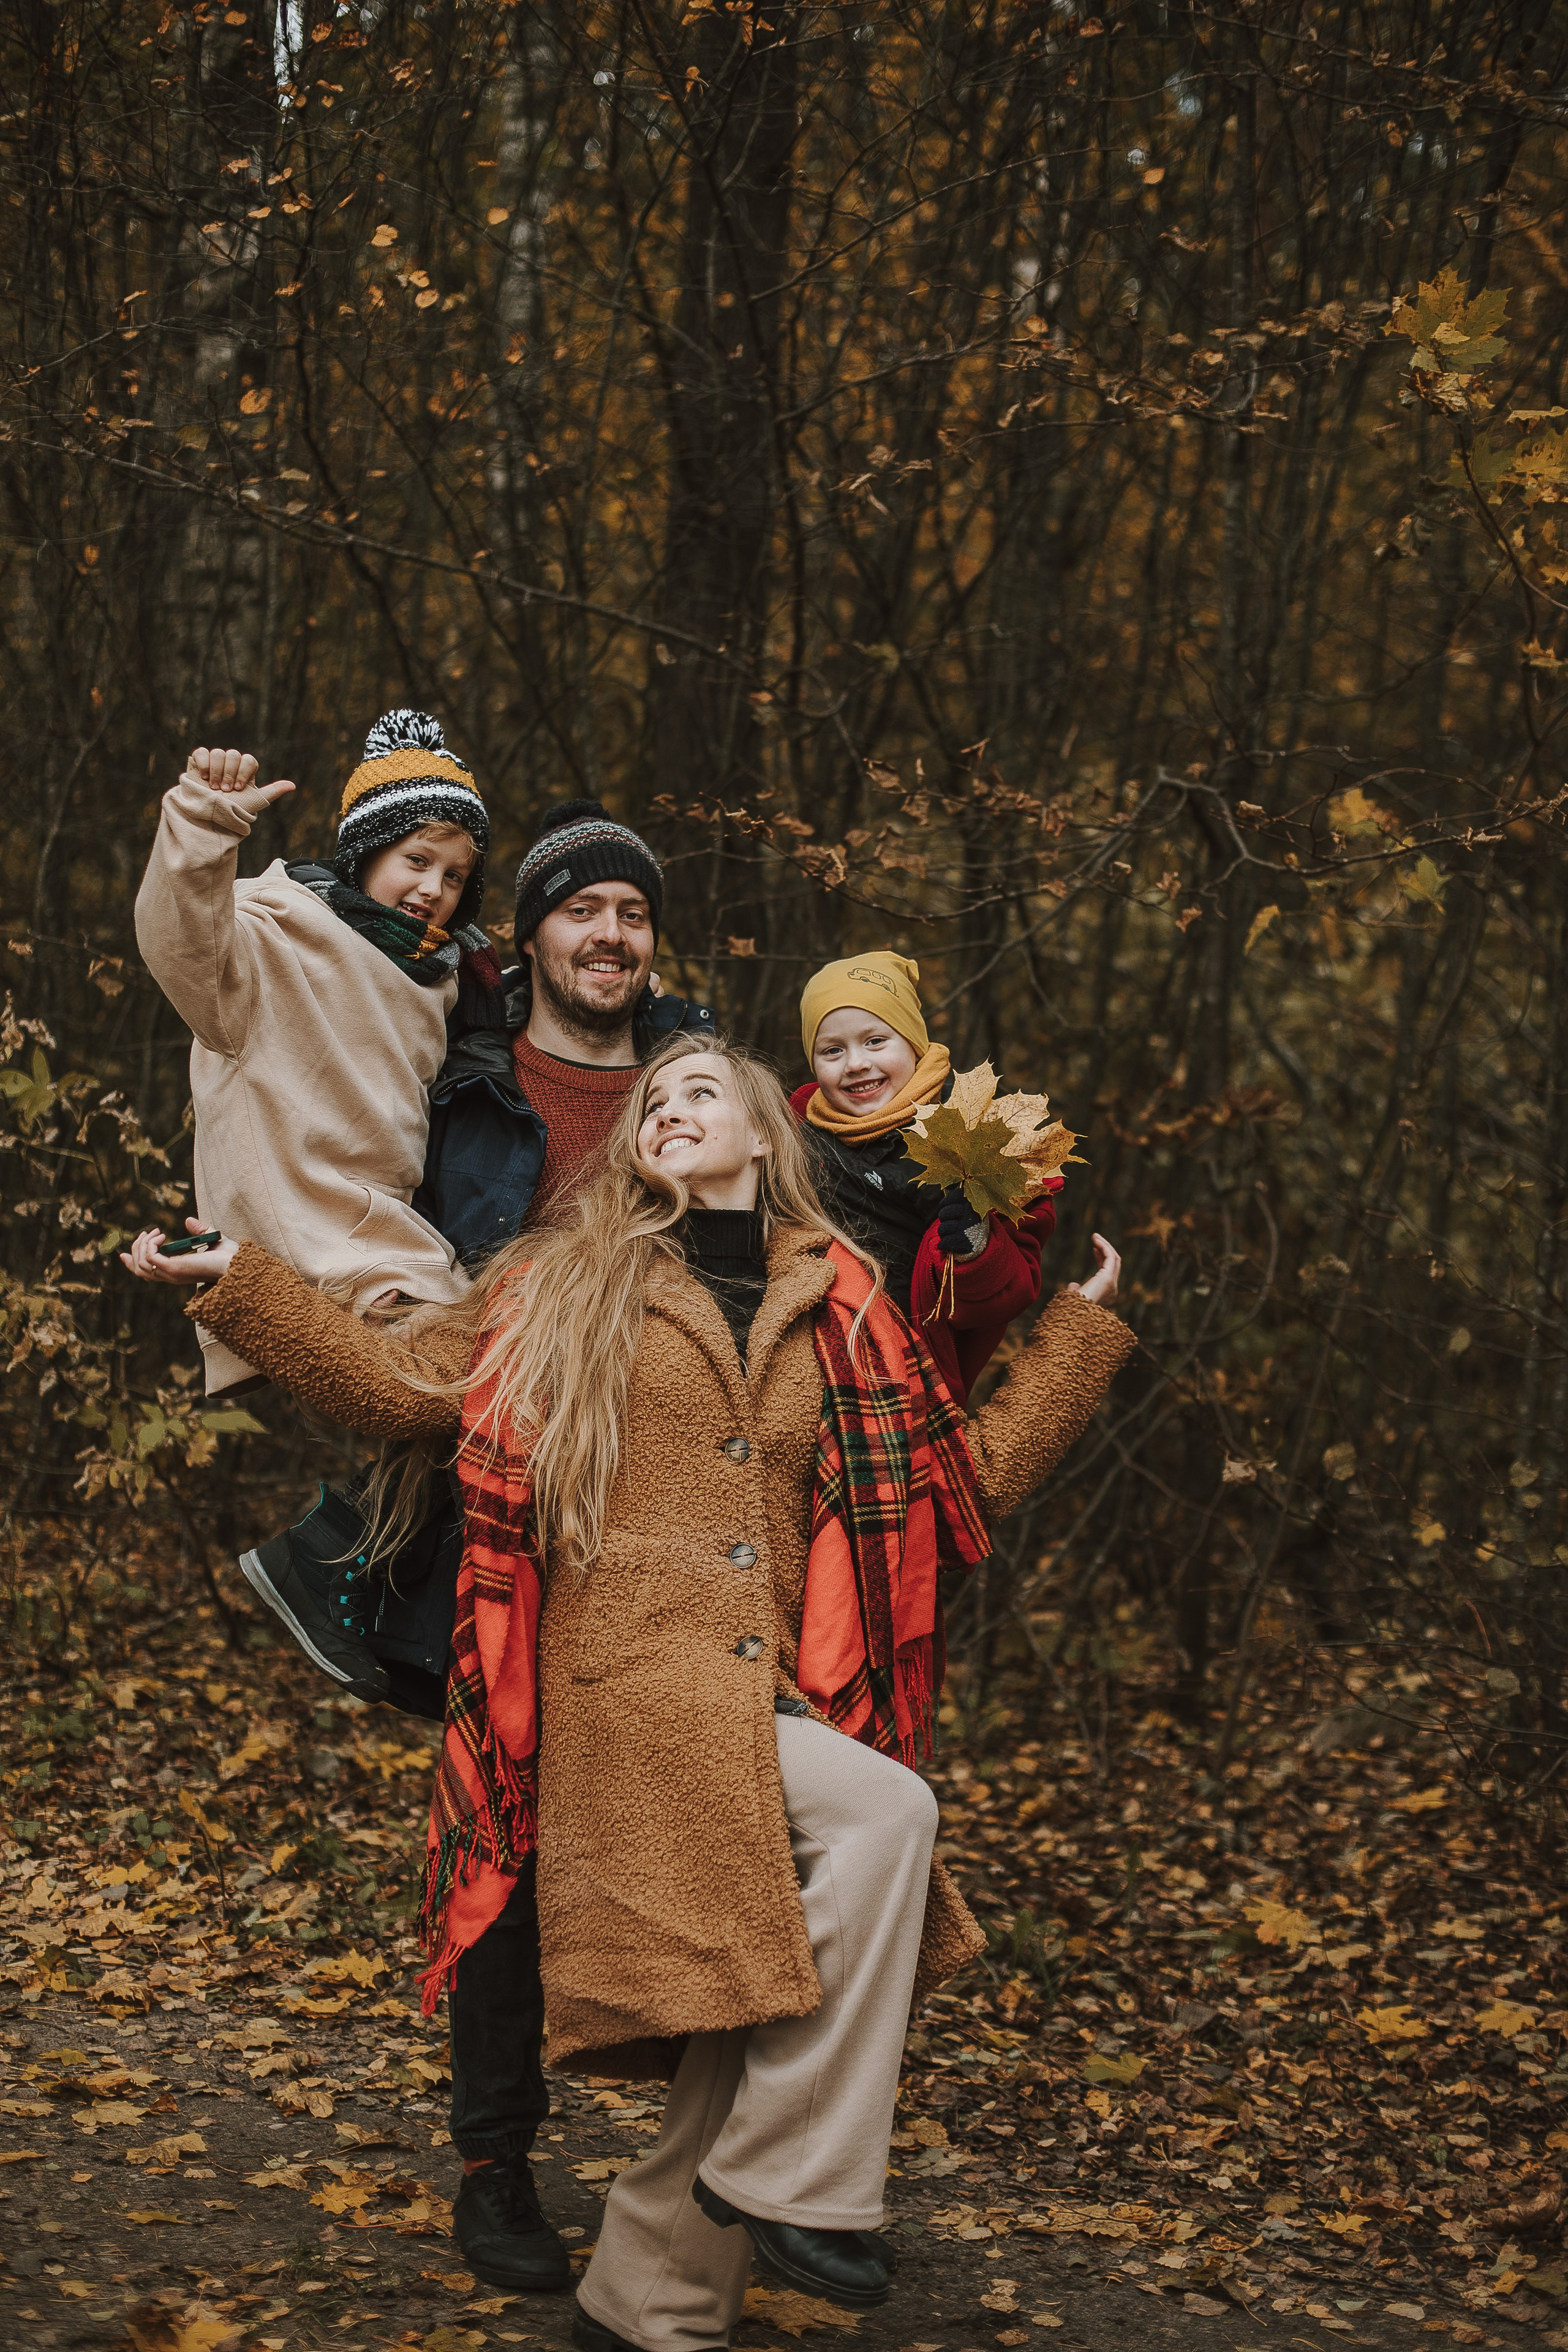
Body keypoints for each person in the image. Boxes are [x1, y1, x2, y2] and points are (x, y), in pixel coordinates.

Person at [123, 1032, 1134, 2348]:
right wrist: (239, 1286)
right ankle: (797, 2179)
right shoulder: (564, 1278)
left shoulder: (843, 1301)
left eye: (699, 1091)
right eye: (652, 1099)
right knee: (887, 1818)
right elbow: (397, 1383)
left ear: (767, 1136)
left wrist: (1078, 1341)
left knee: (774, 1978)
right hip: (620, 1683)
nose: (667, 1109)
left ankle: (652, 2291)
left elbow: (959, 1490)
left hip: (765, 1688)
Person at [201, 797, 712, 2295]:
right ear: (534, 930)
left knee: (698, 1830)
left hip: (669, 1514)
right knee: (508, 1838)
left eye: (630, 912)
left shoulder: (698, 1081)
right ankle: (497, 2162)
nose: (608, 933)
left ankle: (704, 2170)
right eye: (579, 909)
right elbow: (314, 1108)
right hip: (501, 1508)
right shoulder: (455, 1058)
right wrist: (238, 1259)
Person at [134, 709, 496, 1396]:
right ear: (365, 853)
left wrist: (634, 1005)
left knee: (496, 1394)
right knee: (467, 1391)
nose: (432, 889)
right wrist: (206, 828)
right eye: (416, 861)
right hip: (305, 1242)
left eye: (454, 877)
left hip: (395, 1246)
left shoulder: (442, 976)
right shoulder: (276, 935)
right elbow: (181, 942)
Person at [793, 952, 1059, 1403]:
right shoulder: (794, 1132)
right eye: (832, 1050)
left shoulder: (980, 1138)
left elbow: (1011, 1290)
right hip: (810, 1360)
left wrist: (974, 1247)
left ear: (914, 1044)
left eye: (876, 1041)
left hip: (909, 1373)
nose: (856, 1063)